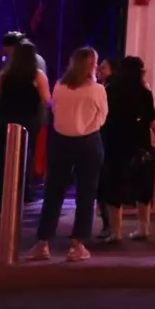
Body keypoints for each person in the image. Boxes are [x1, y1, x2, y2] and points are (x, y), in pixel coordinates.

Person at [26, 47, 106, 262]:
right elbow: (102, 116)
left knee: (53, 193)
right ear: (91, 65)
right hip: (89, 141)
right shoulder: (97, 90)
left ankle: (43, 243)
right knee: (86, 194)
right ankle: (77, 245)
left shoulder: (60, 86)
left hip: (61, 141)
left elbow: (55, 109)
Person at [97, 57, 155, 244]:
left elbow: (103, 115)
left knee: (114, 183)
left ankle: (116, 232)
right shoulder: (144, 90)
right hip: (139, 139)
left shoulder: (111, 89)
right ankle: (143, 227)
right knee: (142, 182)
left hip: (116, 139)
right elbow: (151, 117)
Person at [0, 41, 49, 202]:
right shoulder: (37, 75)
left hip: (4, 120)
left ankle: (3, 195)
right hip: (28, 121)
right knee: (25, 158)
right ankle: (21, 194)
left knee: (4, 158)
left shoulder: (4, 75)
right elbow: (47, 100)